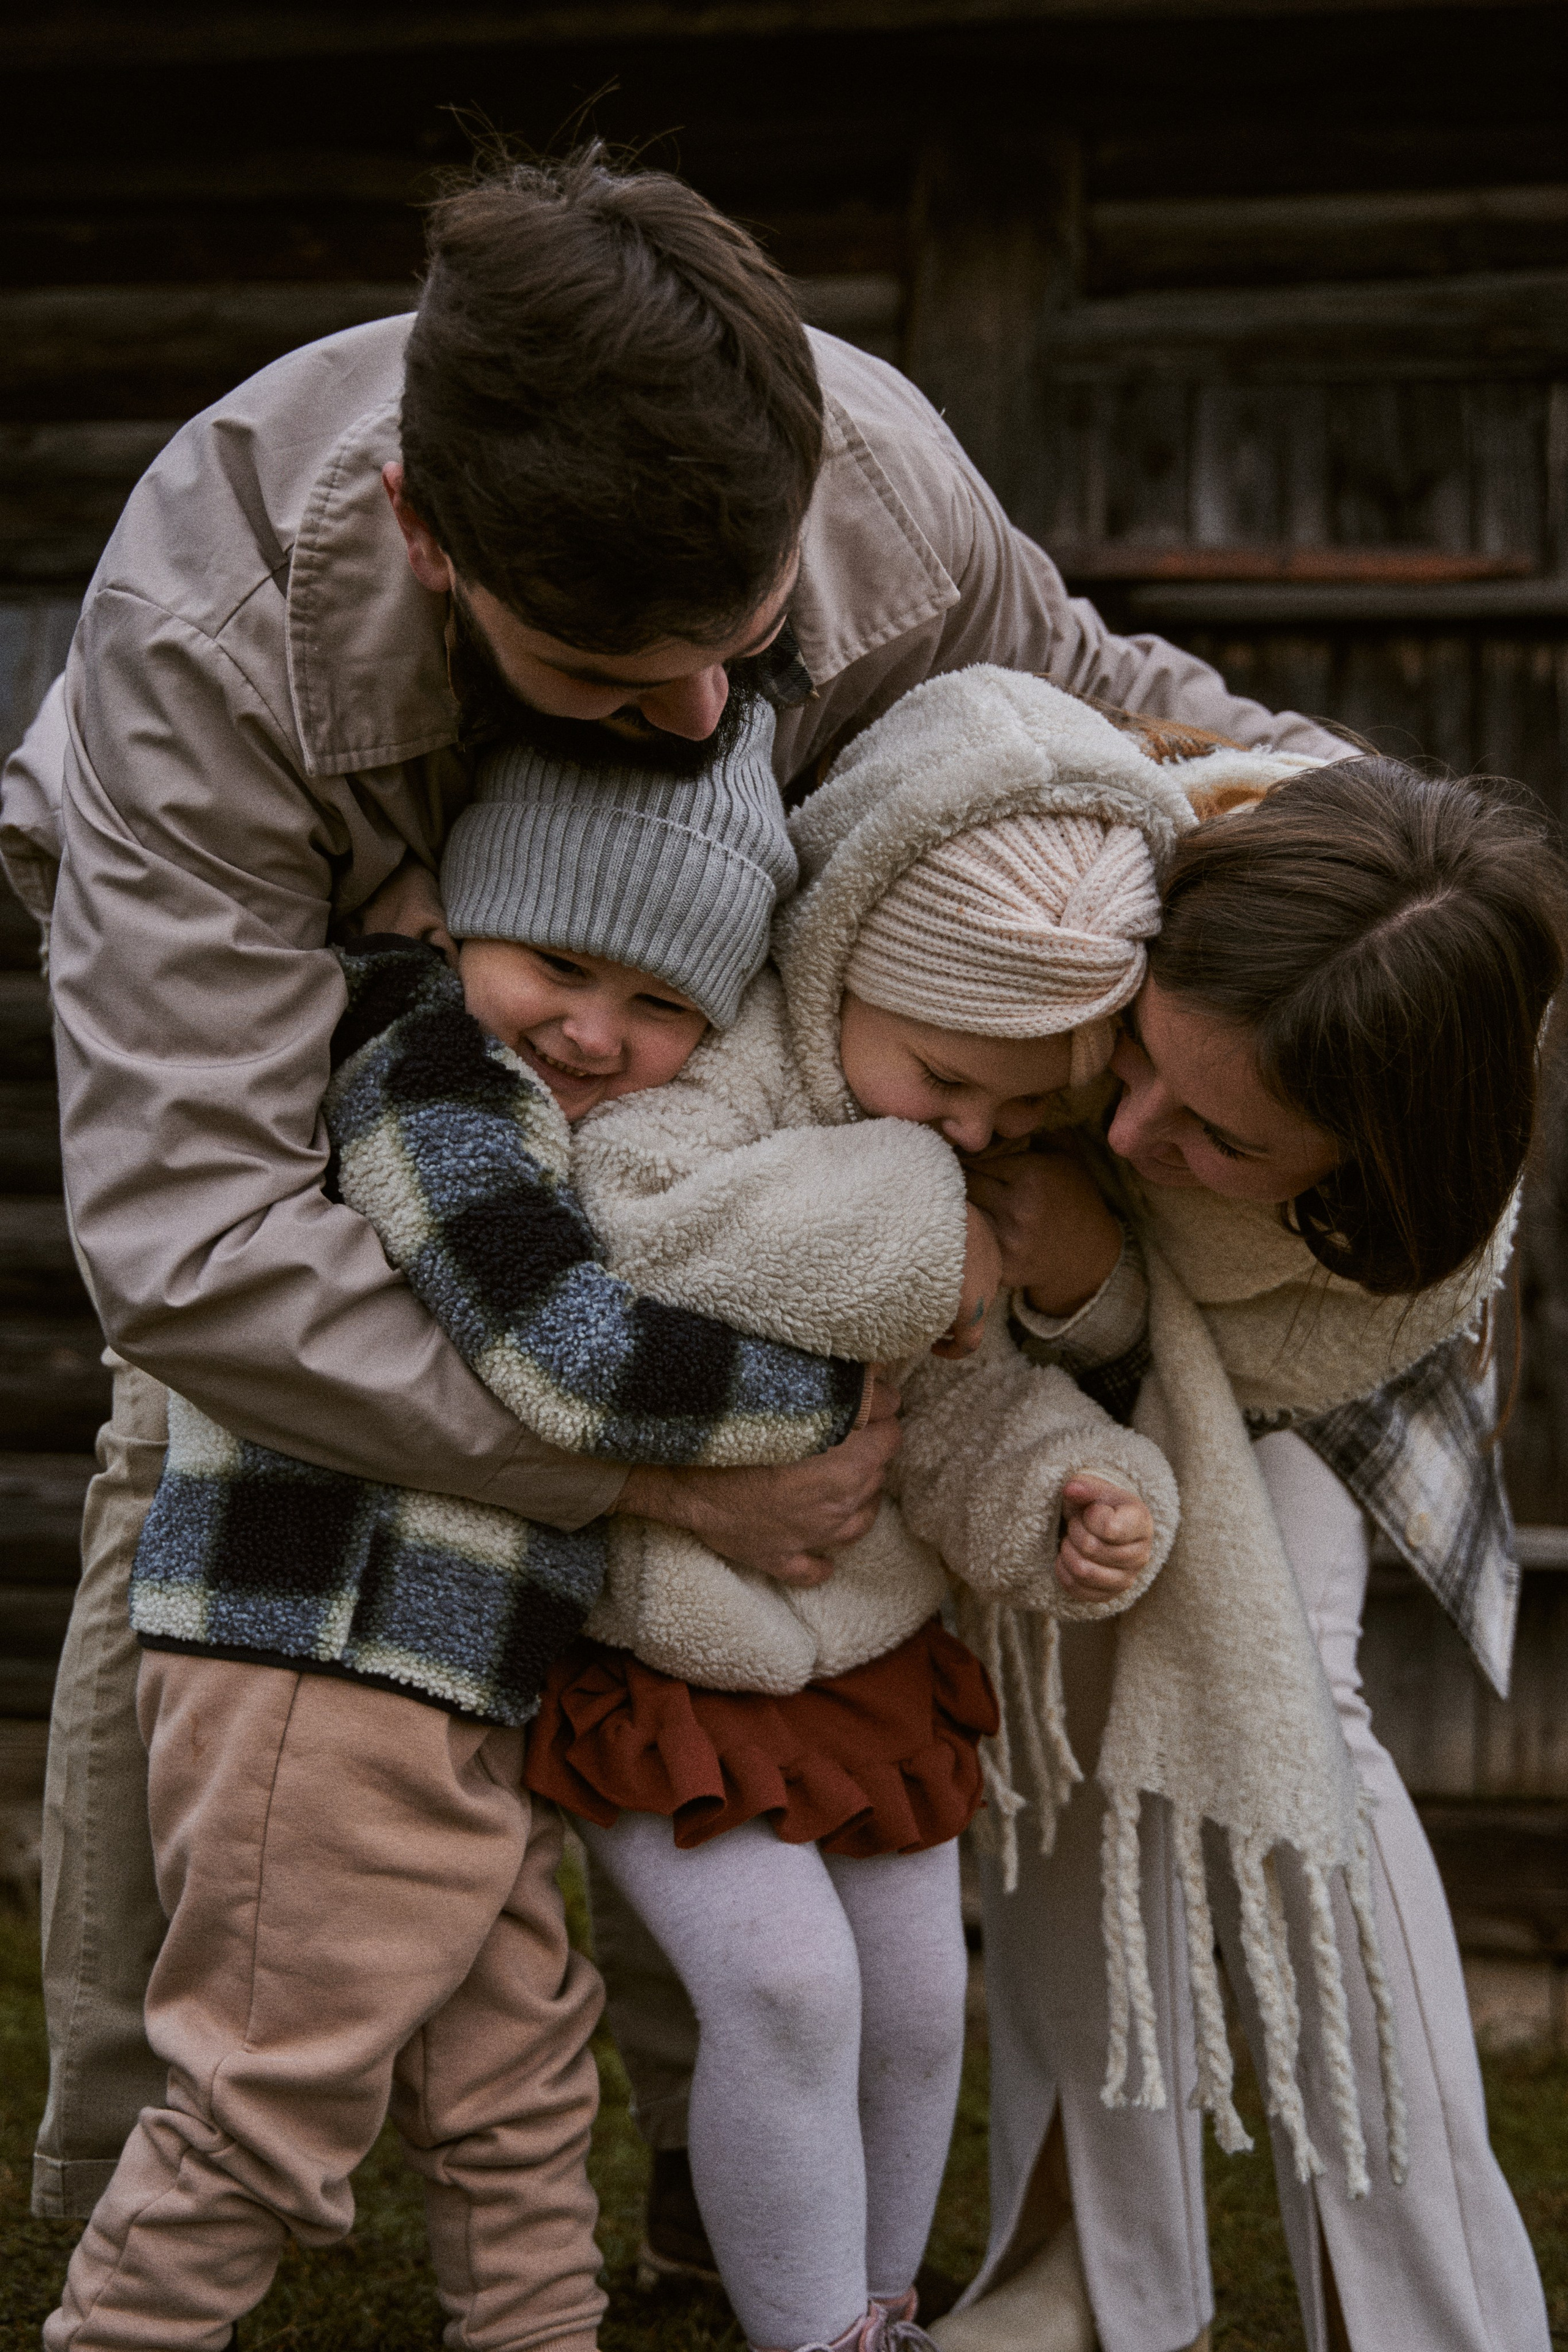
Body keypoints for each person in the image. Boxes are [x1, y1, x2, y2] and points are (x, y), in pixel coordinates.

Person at [0, 143, 1349, 2231]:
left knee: (714, 1689)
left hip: (694, 1063)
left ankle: (722, 2224)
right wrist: (650, 1469)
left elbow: (1113, 711)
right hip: (285, 1078)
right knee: (209, 1498)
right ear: (431, 544)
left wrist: (1405, 866)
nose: (710, 718)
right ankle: (147, 2184)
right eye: (620, 686)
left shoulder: (875, 476)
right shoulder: (214, 635)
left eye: (745, 650)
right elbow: (197, 1252)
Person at [44, 696, 894, 2351]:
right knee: (269, 2099)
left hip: (449, 1673)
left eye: (659, 1007)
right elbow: (563, 1355)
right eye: (559, 968)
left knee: (517, 2077)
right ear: (461, 916)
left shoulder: (551, 1107)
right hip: (319, 1661)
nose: (592, 1030)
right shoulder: (428, 1065)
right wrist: (840, 1393)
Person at [516, 667, 1200, 2352]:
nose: (975, 1133)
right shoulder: (712, 1071)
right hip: (670, 1646)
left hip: (866, 1658)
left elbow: (961, 1409)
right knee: (786, 1990)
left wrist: (1069, 1494)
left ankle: (872, 2310)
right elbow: (631, 1228)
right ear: (842, 969)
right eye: (946, 1080)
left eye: (1017, 1112)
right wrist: (919, 1208)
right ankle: (809, 2331)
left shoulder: (962, 1141)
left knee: (911, 2002)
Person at [934, 755, 1566, 2352]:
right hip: (1029, 1377)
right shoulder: (1164, 852)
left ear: (1354, 1167)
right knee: (1066, 1734)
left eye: (1219, 1137)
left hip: (1303, 1398)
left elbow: (1239, 1372)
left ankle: (1432, 2314)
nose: (1136, 1127)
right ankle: (1085, 2260)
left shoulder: (1409, 1234)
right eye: (1138, 1060)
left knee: (1292, 1745)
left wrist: (1099, 1282)